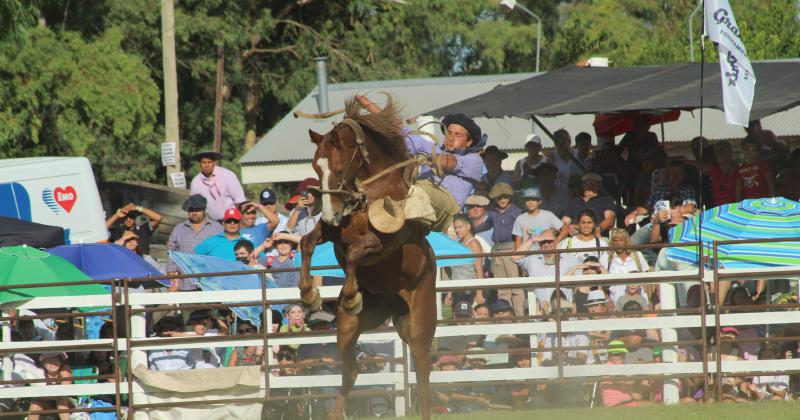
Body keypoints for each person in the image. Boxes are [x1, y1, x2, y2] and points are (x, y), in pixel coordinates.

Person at [476, 183, 523, 308]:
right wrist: (472, 229)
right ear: (495, 199)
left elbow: (523, 230)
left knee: (515, 286)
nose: (502, 200)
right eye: (499, 198)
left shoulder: (517, 212)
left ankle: (519, 315)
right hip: (497, 249)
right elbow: (487, 225)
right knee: (502, 287)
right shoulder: (493, 212)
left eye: (505, 197)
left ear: (510, 197)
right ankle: (505, 314)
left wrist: (519, 249)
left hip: (511, 248)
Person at [166, 194, 223, 291]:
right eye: (191, 210)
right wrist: (171, 272)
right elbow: (171, 252)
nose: (194, 213)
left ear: (204, 210)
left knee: (210, 306)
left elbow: (222, 250)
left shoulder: (216, 228)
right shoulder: (179, 229)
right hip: (185, 281)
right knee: (188, 306)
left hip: (211, 281)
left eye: (197, 210)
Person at [513, 228, 571, 311]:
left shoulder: (569, 260)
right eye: (543, 241)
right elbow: (515, 257)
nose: (546, 244)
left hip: (563, 313)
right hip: (539, 314)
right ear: (539, 243)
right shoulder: (532, 260)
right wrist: (533, 239)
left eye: (549, 241)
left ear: (556, 241)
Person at [189, 150, 247, 221]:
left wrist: (240, 220)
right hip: (212, 223)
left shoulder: (227, 175)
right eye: (203, 162)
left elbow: (239, 200)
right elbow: (196, 206)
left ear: (214, 162)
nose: (206, 165)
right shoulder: (196, 183)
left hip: (233, 220)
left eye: (209, 162)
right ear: (200, 164)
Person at [600, 340, 654, 407]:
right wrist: (641, 371)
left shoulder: (619, 366)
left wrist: (642, 370)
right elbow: (627, 383)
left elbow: (629, 383)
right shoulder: (610, 367)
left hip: (627, 401)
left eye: (622, 353)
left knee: (646, 381)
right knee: (653, 406)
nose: (620, 356)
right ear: (609, 356)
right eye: (616, 354)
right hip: (617, 405)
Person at [448, 215, 485, 306]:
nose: (457, 230)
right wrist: (450, 292)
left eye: (460, 227)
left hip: (468, 291)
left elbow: (479, 270)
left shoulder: (474, 243)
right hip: (457, 290)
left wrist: (479, 293)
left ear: (468, 226)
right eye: (455, 227)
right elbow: (454, 271)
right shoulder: (459, 243)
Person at [607, 228, 650, 304]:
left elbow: (647, 279)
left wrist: (649, 300)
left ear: (626, 241)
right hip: (616, 302)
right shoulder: (608, 258)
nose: (618, 243)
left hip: (639, 302)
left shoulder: (637, 256)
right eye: (615, 240)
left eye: (621, 240)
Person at [27, 352, 73, 420]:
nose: (53, 363)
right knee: (35, 405)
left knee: (61, 400)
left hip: (67, 402)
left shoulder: (65, 370)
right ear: (43, 363)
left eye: (56, 360)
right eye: (49, 360)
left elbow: (65, 390)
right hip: (48, 402)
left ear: (61, 362)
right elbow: (38, 395)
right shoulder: (39, 373)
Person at [707, 140, 738, 206]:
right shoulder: (712, 169)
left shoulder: (738, 169)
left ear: (730, 152)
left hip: (734, 208)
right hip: (716, 209)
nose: (719, 154)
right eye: (716, 152)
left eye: (722, 151)